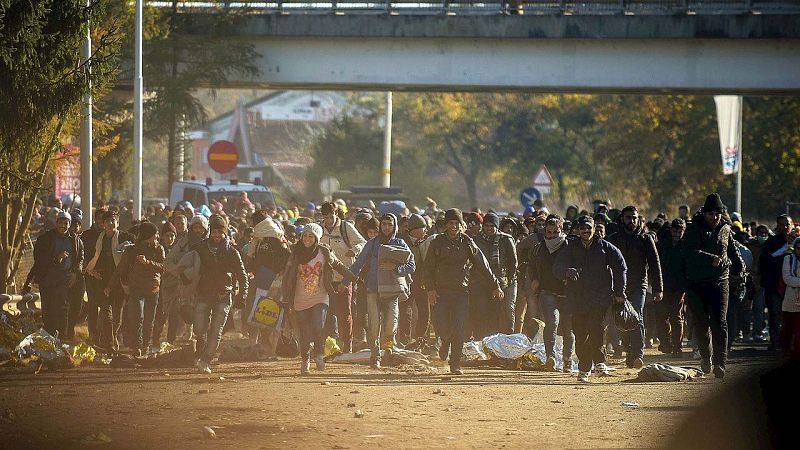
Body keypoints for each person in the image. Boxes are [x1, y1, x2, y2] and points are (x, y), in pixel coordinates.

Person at [424, 208, 503, 375]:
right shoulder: (437, 242)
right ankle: (445, 341)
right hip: (441, 292)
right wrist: (430, 289)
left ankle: (455, 364)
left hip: (461, 292)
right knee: (443, 327)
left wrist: (495, 285)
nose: (453, 226)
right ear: (446, 225)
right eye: (450, 223)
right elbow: (428, 268)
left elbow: (483, 264)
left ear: (461, 225)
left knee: (460, 328)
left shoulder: (467, 242)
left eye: (456, 223)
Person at [554, 215, 627, 383]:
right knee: (580, 334)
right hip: (577, 299)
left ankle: (599, 362)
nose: (586, 231)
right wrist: (567, 271)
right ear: (578, 230)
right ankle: (584, 368)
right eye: (582, 228)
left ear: (594, 228)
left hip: (600, 298)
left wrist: (619, 291)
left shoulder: (605, 247)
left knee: (597, 329)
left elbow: (620, 267)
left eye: (589, 228)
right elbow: (556, 267)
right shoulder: (571, 248)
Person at [683, 193, 745, 378]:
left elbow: (732, 250)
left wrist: (740, 269)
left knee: (720, 323)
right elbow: (689, 252)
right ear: (705, 214)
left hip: (720, 282)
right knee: (701, 324)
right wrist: (710, 259)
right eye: (711, 214)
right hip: (697, 283)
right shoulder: (694, 229)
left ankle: (720, 363)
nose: (714, 217)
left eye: (717, 213)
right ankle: (706, 357)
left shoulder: (725, 228)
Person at [283, 224, 356, 375]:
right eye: (305, 236)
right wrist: (285, 297)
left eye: (311, 236)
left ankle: (318, 355)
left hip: (321, 296)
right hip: (300, 298)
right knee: (304, 331)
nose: (307, 239)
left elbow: (339, 266)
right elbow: (287, 277)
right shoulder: (295, 253)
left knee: (318, 327)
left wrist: (353, 277)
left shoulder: (324, 252)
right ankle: (305, 360)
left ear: (317, 238)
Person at [349, 214, 416, 368]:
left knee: (390, 326)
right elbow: (358, 263)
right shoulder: (372, 244)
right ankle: (375, 355)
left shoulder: (400, 244)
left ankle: (388, 349)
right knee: (374, 326)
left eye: (389, 225)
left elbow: (412, 265)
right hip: (373, 290)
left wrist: (396, 268)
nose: (386, 227)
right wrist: (345, 281)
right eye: (384, 224)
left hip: (392, 291)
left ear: (394, 226)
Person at [606, 206, 663, 368]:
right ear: (622, 219)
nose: (631, 220)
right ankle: (629, 351)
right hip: (618, 286)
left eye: (634, 217)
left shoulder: (645, 239)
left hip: (639, 285)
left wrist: (658, 288)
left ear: (638, 219)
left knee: (636, 316)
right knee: (622, 319)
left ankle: (638, 354)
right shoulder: (614, 239)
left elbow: (654, 264)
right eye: (628, 217)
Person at [192, 215, 249, 374]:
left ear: (225, 233)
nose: (217, 235)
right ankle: (201, 347)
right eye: (214, 232)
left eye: (220, 233)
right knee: (199, 328)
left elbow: (242, 275)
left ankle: (205, 360)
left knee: (216, 331)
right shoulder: (200, 248)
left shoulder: (232, 251)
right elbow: (189, 266)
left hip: (224, 296)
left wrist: (242, 295)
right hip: (203, 294)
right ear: (209, 232)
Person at [107, 222, 165, 355]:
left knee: (149, 320)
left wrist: (147, 263)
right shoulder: (132, 250)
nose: (157, 237)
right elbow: (120, 269)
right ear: (147, 235)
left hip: (153, 289)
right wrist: (110, 286)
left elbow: (163, 267)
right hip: (136, 288)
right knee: (138, 317)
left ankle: (146, 346)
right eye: (155, 234)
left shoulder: (159, 249)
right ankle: (137, 346)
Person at [25, 210, 84, 338]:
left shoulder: (75, 240)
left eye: (66, 223)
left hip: (65, 280)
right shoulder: (46, 239)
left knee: (63, 309)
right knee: (48, 310)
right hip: (48, 280)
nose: (63, 225)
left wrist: (75, 272)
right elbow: (39, 259)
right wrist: (56, 258)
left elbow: (80, 258)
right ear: (56, 223)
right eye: (61, 222)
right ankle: (49, 338)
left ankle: (63, 338)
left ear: (69, 224)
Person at [83, 210, 135, 350]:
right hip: (101, 281)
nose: (111, 224)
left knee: (117, 314)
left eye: (113, 221)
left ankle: (113, 337)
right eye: (107, 221)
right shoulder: (97, 240)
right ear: (103, 224)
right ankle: (110, 343)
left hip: (119, 282)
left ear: (117, 223)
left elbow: (134, 252)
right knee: (107, 313)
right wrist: (91, 271)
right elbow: (88, 258)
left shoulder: (125, 238)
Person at [319, 202, 366, 353]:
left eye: (330, 216)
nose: (328, 220)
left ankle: (348, 345)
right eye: (325, 217)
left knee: (345, 312)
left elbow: (362, 242)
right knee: (327, 312)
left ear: (336, 214)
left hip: (344, 276)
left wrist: (354, 250)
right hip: (325, 277)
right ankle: (330, 344)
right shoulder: (319, 229)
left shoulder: (346, 228)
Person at [529, 215, 574, 371]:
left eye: (556, 232)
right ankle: (551, 357)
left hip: (567, 293)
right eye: (549, 232)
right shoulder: (539, 248)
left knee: (568, 329)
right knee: (552, 322)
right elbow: (532, 266)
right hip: (547, 291)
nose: (552, 235)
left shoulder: (569, 247)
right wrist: (534, 279)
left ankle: (567, 359)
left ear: (561, 230)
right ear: (545, 232)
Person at [472, 212, 518, 337]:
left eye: (492, 226)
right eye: (486, 225)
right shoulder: (477, 240)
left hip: (504, 282)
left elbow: (513, 263)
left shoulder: (506, 239)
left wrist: (508, 281)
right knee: (483, 311)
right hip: (482, 282)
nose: (489, 228)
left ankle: (509, 338)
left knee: (507, 310)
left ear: (496, 226)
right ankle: (482, 339)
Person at [760, 214, 794, 350]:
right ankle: (775, 342)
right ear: (777, 226)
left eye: (787, 224)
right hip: (775, 286)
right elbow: (764, 262)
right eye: (782, 224)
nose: (785, 227)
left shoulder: (797, 241)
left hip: (793, 286)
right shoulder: (771, 242)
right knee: (775, 315)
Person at [656, 218, 688, 356]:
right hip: (664, 285)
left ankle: (677, 346)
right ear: (671, 231)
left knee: (676, 316)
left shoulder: (687, 246)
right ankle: (666, 342)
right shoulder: (663, 245)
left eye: (680, 231)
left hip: (679, 287)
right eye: (675, 231)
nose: (677, 234)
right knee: (662, 316)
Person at [780, 237, 800, 359]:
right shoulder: (788, 259)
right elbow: (787, 278)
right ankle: (786, 349)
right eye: (798, 248)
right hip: (791, 299)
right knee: (788, 327)